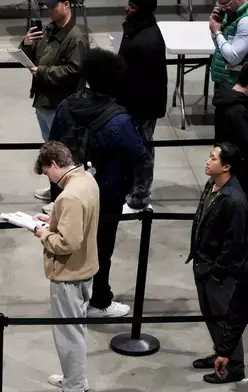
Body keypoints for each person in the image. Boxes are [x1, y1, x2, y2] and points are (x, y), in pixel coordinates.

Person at [49, 48, 153, 318]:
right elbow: (141, 157)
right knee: (101, 248)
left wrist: (55, 192)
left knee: (69, 243)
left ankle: (72, 299)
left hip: (68, 191)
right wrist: (138, 199)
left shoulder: (65, 106)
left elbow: (52, 148)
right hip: (106, 196)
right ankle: (99, 300)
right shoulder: (119, 120)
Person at [32, 141, 99, 392]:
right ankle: (75, 377)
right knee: (76, 329)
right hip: (86, 267)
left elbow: (66, 242)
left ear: (54, 164)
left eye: (46, 171)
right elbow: (77, 223)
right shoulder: (87, 181)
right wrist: (53, 220)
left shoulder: (69, 196)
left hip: (68, 273)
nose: (48, 178)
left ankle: (74, 385)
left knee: (68, 333)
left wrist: (42, 233)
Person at [187, 143, 248, 384]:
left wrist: (216, 271)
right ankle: (220, 352)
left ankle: (234, 366)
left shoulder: (235, 201)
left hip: (218, 272)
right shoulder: (212, 185)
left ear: (226, 166)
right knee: (211, 315)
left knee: (224, 316)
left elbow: (235, 245)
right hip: (204, 264)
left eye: (213, 158)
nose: (207, 161)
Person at [19, 0, 89, 205]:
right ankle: (55, 189)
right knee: (51, 150)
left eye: (52, 6)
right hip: (44, 100)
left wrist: (42, 72)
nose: (48, 11)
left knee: (64, 154)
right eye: (46, 7)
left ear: (66, 4)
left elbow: (73, 71)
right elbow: (40, 57)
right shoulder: (49, 30)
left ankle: (63, 196)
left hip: (60, 104)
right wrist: (27, 45)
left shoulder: (76, 38)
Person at [117, 0, 167, 159]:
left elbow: (145, 85)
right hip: (135, 105)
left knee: (141, 149)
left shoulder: (147, 42)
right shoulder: (137, 28)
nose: (127, 8)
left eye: (132, 6)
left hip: (141, 109)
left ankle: (141, 184)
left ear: (142, 11)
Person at [209, 0, 248, 141]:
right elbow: (221, 46)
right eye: (219, 2)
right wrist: (216, 31)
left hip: (235, 86)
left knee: (230, 139)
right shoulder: (231, 14)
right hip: (224, 81)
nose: (222, 6)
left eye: (226, 2)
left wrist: (217, 32)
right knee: (220, 135)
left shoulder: (245, 21)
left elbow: (233, 57)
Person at [211, 62, 248, 190]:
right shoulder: (238, 110)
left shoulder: (226, 98)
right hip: (236, 173)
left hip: (225, 167)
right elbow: (245, 143)